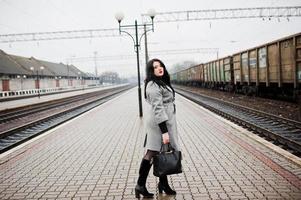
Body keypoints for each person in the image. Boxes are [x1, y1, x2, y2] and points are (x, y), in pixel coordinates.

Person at [135, 58, 179, 198]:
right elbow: (158, 109)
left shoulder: (160, 82)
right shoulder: (153, 85)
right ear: (150, 71)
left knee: (162, 151)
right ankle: (140, 185)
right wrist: (164, 131)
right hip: (158, 124)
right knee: (152, 152)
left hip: (164, 121)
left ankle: (163, 184)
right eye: (155, 67)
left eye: (161, 66)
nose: (159, 68)